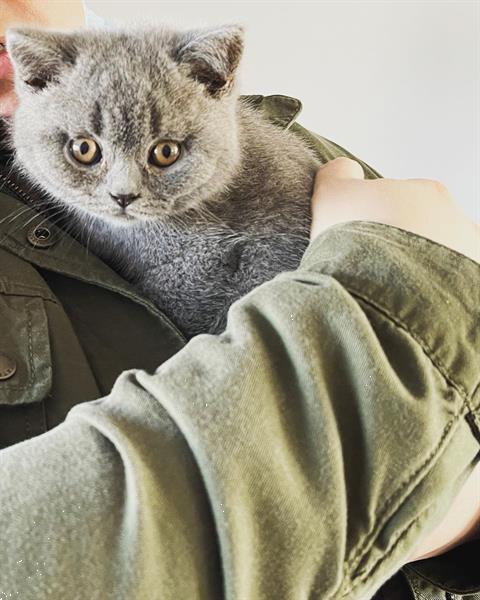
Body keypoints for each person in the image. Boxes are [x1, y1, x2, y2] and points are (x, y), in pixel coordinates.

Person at [0, 1, 478, 598]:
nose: (121, 191)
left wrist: (459, 521)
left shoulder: (282, 143)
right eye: (86, 153)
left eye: (165, 154)